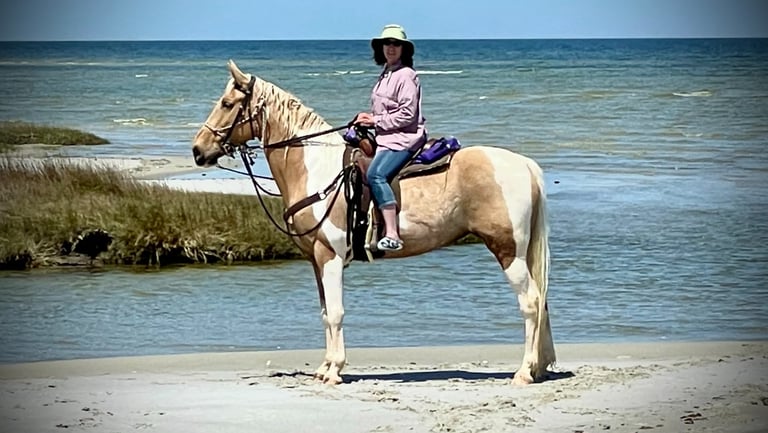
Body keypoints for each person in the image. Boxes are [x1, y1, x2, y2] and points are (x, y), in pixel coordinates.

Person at [354, 24, 427, 252]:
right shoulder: (386, 73)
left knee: (376, 174)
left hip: (404, 138)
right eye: (387, 43)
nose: (391, 47)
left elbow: (407, 114)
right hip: (386, 136)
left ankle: (392, 234)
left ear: (404, 49)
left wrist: (375, 121)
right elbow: (386, 109)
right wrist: (367, 117)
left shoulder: (406, 75)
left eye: (396, 44)